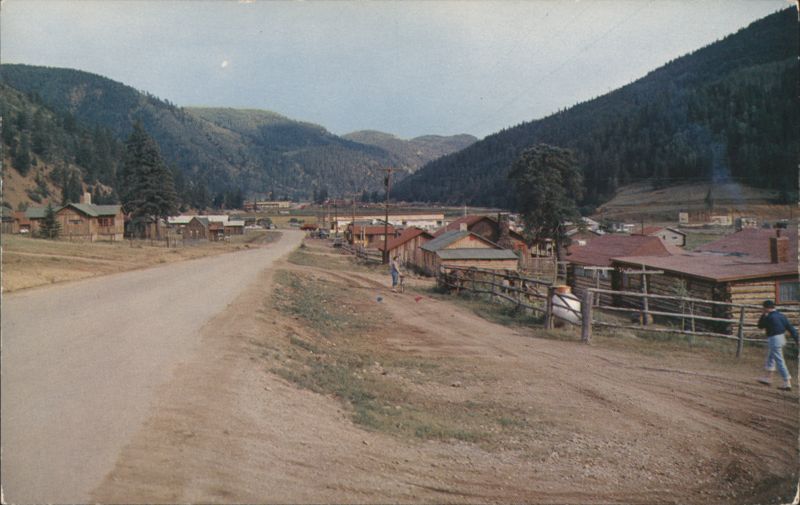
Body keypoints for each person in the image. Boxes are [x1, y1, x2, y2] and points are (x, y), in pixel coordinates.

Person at [757, 300, 798, 390]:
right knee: (771, 357)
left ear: (766, 308)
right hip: (782, 338)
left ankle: (787, 382)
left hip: (774, 339)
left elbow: (760, 326)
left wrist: (763, 315)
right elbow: (790, 328)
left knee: (779, 360)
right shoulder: (781, 316)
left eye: (763, 308)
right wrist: (797, 339)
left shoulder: (769, 317)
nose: (762, 309)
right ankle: (768, 378)